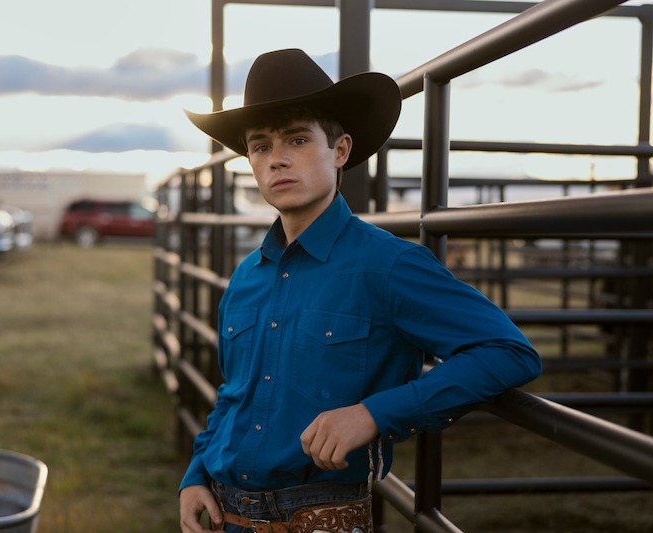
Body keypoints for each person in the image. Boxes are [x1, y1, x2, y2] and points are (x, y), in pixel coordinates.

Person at [179, 48, 542, 533]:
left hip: (322, 513)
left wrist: (374, 414)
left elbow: (508, 351)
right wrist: (196, 472)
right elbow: (234, 392)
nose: (278, 159)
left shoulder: (389, 265)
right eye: (260, 146)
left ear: (341, 151)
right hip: (227, 514)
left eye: (299, 139)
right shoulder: (247, 276)